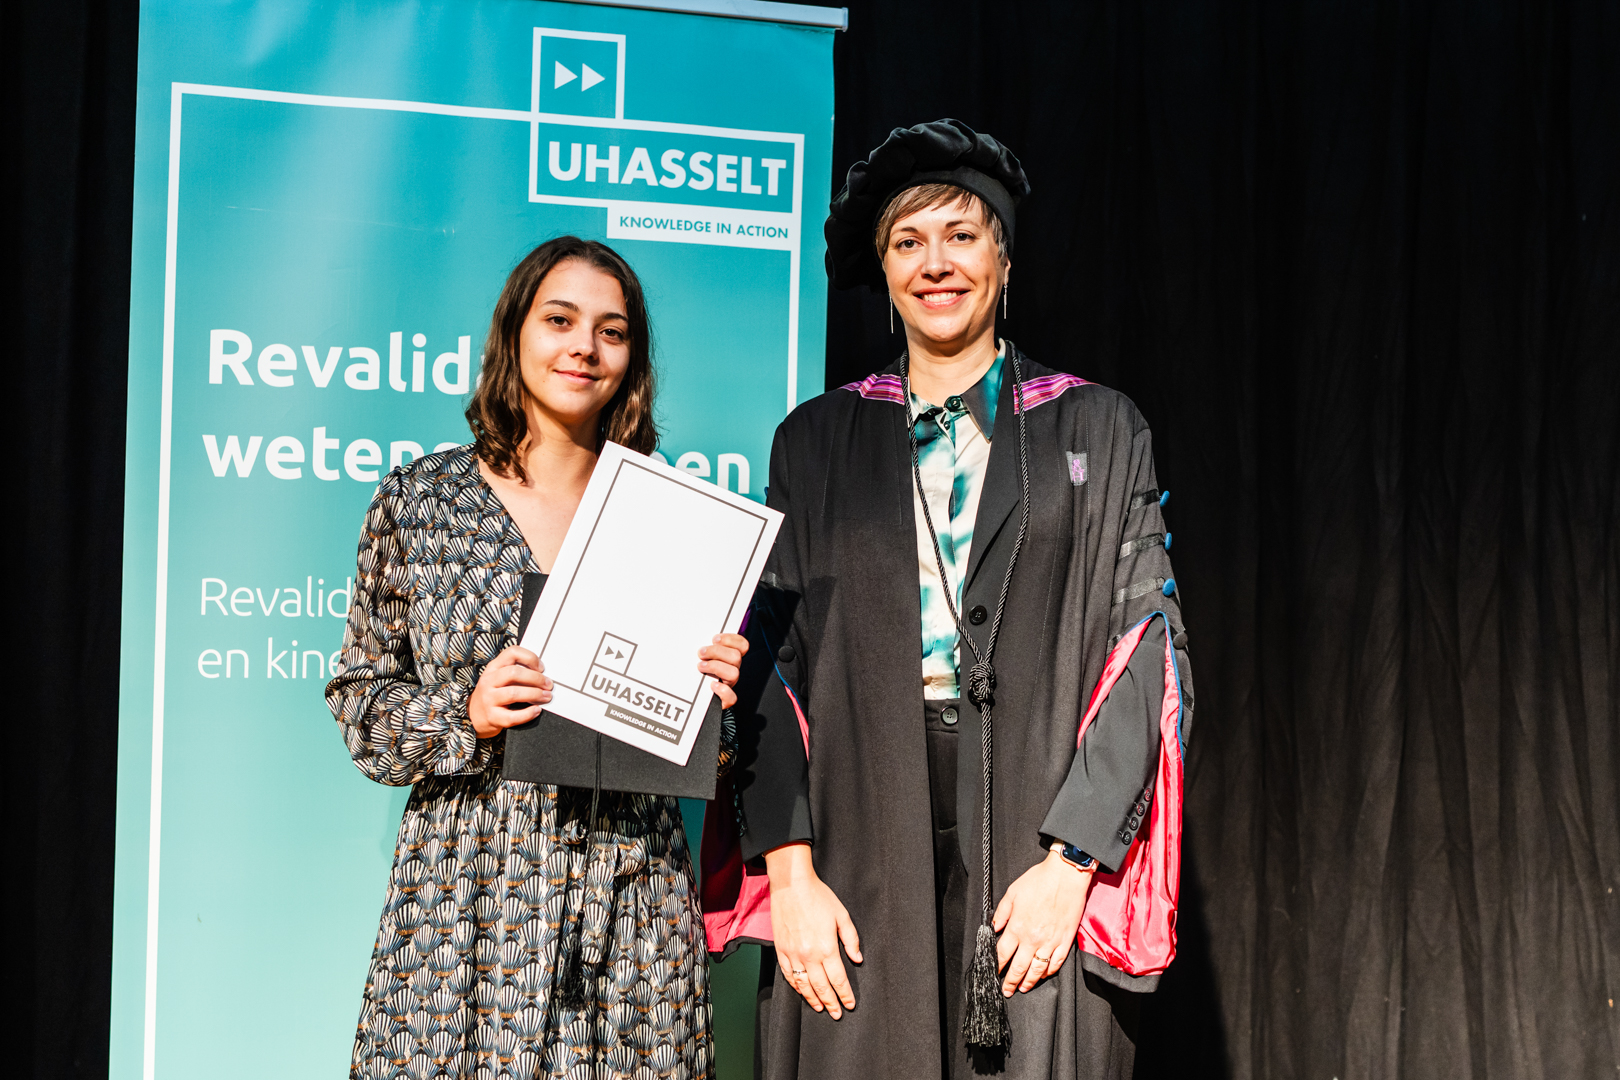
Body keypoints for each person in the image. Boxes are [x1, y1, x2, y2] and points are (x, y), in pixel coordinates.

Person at [706, 120, 1195, 1079]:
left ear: (1004, 259)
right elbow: (769, 667)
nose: (937, 264)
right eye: (908, 241)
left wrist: (1073, 864)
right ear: (885, 271)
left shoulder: (1098, 425)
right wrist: (789, 874)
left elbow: (1147, 648)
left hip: (1037, 805)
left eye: (962, 236)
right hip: (858, 807)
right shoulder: (816, 442)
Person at [327, 235, 747, 1080]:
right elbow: (361, 704)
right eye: (560, 320)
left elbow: (715, 753)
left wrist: (718, 706)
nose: (584, 346)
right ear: (514, 331)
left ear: (632, 360)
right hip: (467, 894)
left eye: (611, 330)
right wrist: (466, 713)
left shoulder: (677, 521)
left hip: (631, 894)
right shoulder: (422, 501)